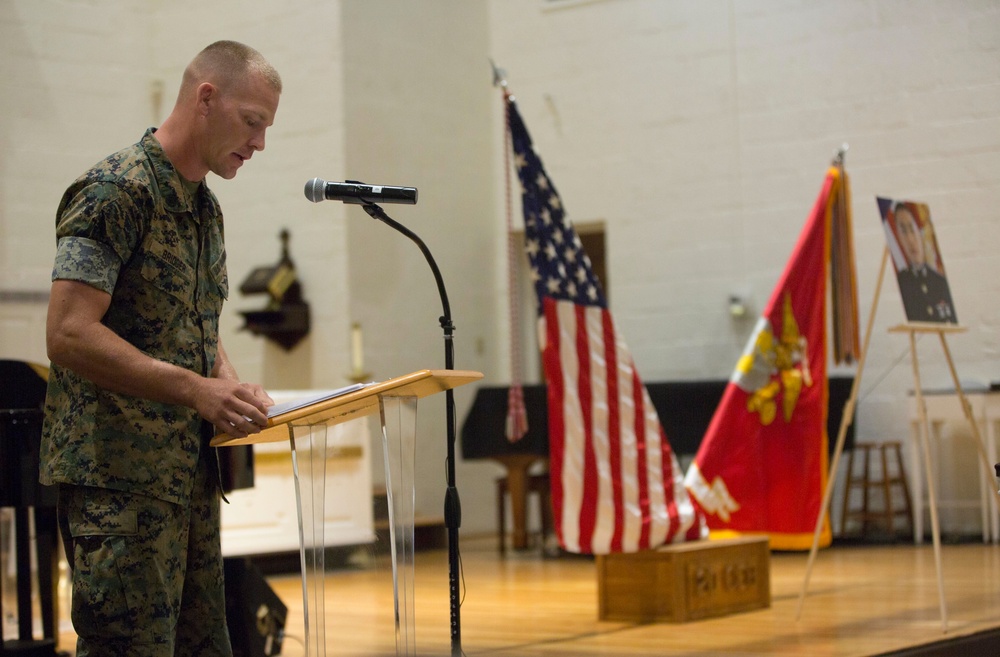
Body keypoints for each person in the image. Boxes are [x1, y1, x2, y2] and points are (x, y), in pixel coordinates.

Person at [40, 40, 281, 656]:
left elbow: (193, 320)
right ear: (206, 98)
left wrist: (229, 383)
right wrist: (199, 390)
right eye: (252, 122)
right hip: (116, 482)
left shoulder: (205, 208)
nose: (259, 143)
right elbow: (68, 333)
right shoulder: (114, 192)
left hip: (185, 479)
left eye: (265, 128)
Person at [892, 202, 957, 323]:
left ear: (920, 232)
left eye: (912, 229)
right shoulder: (900, 283)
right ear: (899, 239)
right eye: (904, 232)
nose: (910, 240)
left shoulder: (940, 282)